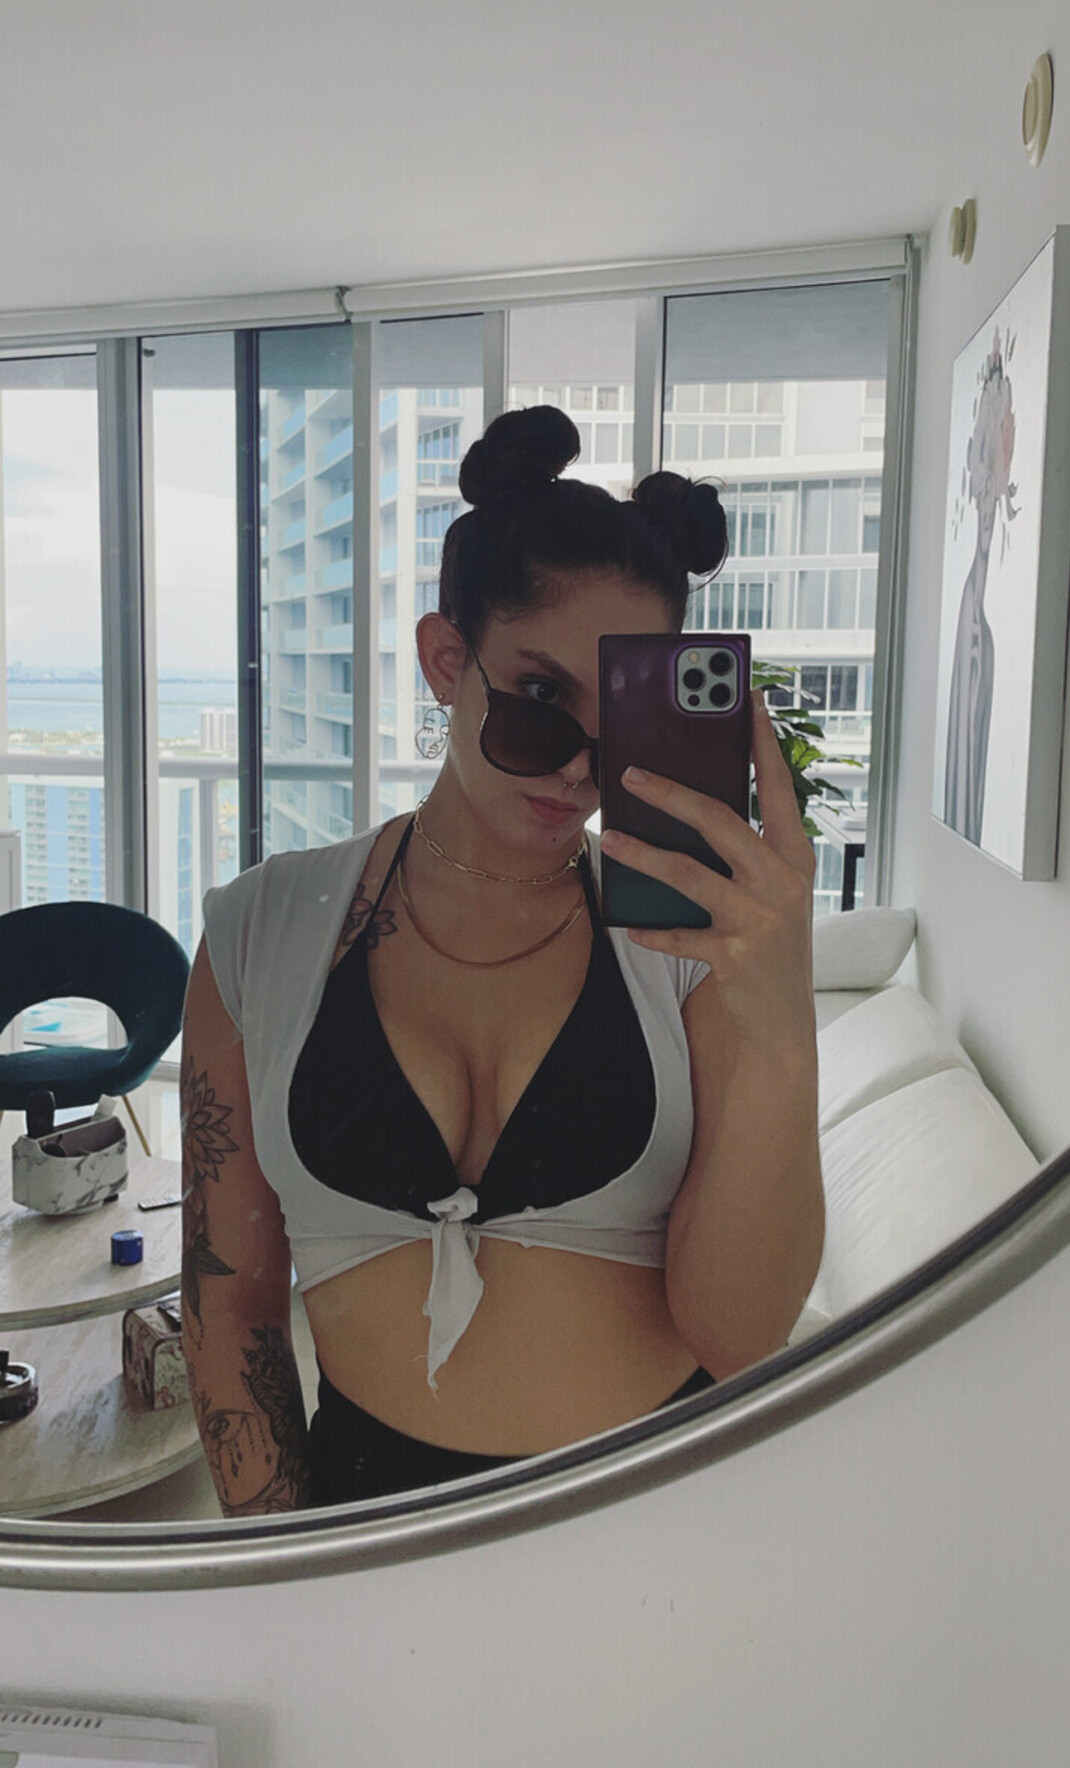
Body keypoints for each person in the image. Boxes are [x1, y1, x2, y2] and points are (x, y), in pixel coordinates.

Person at [180, 405, 823, 1514]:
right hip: (366, 1518)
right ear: (446, 660)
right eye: (538, 700)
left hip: (656, 1518)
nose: (578, 769)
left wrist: (781, 1031)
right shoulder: (260, 931)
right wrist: (276, 1562)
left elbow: (742, 1334)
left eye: (620, 723)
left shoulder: (684, 947)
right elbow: (228, 1305)